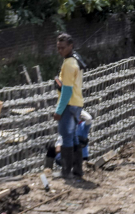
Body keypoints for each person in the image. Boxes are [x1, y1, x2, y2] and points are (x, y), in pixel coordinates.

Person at [53, 33, 84, 178]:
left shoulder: (68, 65)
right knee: (73, 138)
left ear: (71, 46)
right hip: (77, 104)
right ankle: (77, 170)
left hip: (68, 105)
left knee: (66, 137)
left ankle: (65, 172)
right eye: (58, 48)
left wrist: (58, 111)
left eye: (63, 48)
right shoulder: (75, 60)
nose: (60, 51)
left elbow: (67, 90)